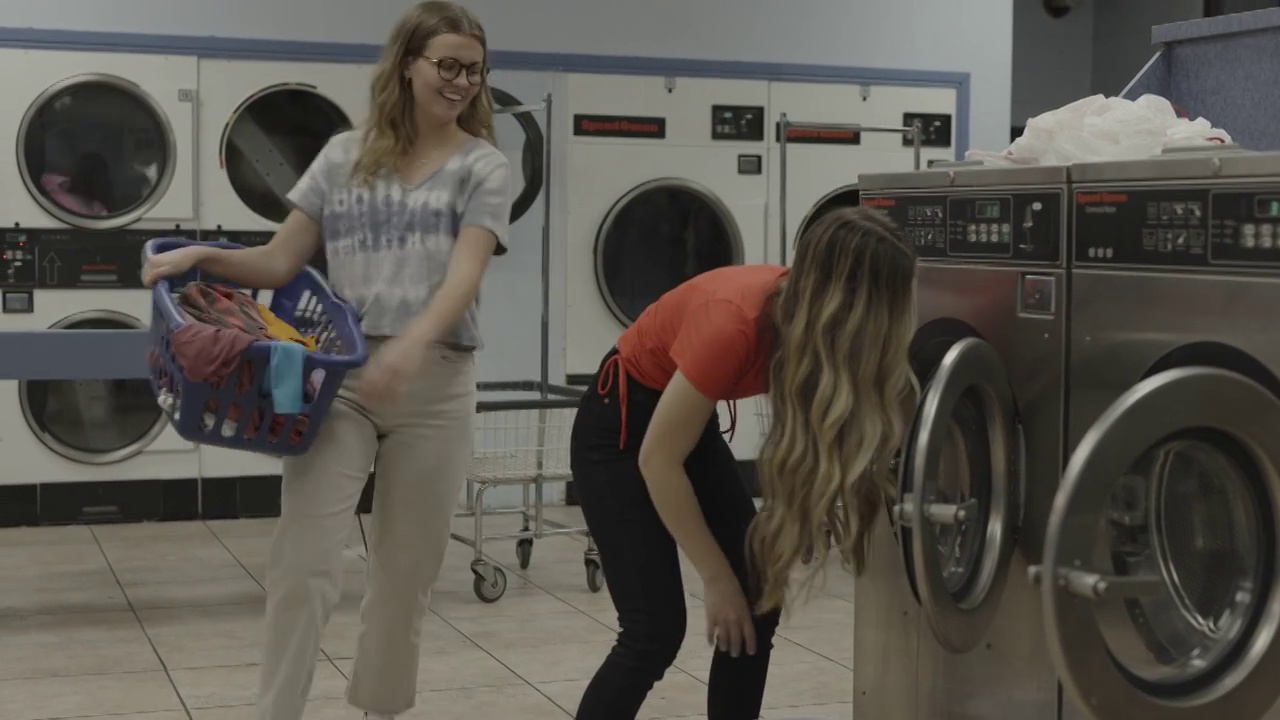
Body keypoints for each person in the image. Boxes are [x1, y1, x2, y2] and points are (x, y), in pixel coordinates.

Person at [141, 3, 512, 719]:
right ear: (408, 64)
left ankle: (380, 709)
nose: (462, 81)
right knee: (304, 562)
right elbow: (281, 259)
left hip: (436, 383)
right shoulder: (345, 155)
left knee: (406, 574)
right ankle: (276, 711)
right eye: (448, 65)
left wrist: (410, 343)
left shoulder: (483, 165)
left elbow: (466, 274)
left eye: (474, 69)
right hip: (337, 381)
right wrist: (200, 254)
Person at [569, 206, 919, 720]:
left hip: (683, 419)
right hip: (619, 430)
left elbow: (829, 412)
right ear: (849, 301)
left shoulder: (810, 323)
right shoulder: (735, 324)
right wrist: (715, 578)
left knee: (758, 600)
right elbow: (659, 460)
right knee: (654, 631)